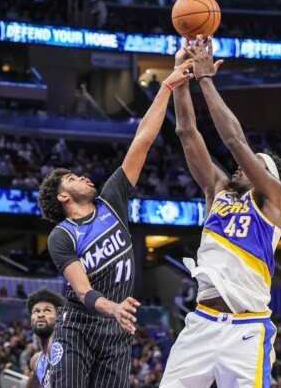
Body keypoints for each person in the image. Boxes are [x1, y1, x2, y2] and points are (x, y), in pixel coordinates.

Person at [37, 61, 194, 388]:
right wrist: (114, 308)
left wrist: (166, 87)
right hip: (78, 327)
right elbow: (82, 290)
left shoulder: (111, 199)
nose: (82, 176)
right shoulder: (62, 236)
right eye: (72, 178)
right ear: (63, 197)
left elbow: (143, 140)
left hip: (116, 332)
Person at [160, 37, 281, 387]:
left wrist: (205, 79)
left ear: (268, 175)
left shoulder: (272, 198)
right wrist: (180, 77)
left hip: (246, 330)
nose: (240, 166)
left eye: (253, 164)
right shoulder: (218, 190)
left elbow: (235, 142)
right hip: (202, 322)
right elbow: (186, 132)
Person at [25, 288, 66, 388]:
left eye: (47, 310)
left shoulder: (65, 347)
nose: (40, 315)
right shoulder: (36, 361)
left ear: (59, 317)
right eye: (36, 311)